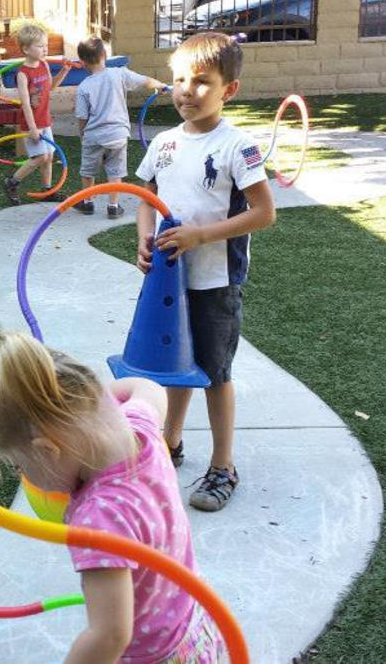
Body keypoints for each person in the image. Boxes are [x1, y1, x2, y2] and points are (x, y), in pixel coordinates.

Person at [0, 332, 227, 663]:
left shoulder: (99, 521)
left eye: (19, 465)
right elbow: (148, 389)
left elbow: (110, 635)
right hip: (193, 628)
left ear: (47, 450)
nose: (23, 475)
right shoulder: (140, 429)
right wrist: (94, 408)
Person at [134, 32, 275, 512]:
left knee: (215, 372)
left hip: (216, 281)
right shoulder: (165, 142)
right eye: (178, 80)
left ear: (227, 90)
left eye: (201, 82)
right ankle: (170, 444)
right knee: (173, 367)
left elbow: (263, 213)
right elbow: (147, 197)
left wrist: (200, 236)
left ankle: (222, 466)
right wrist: (144, 237)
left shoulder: (238, 145)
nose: (185, 91)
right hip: (168, 279)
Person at [74, 36, 168, 218]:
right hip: (117, 135)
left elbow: (82, 117)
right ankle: (113, 206)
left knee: (88, 170)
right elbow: (144, 80)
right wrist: (160, 85)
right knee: (115, 172)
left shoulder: (83, 87)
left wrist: (82, 135)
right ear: (105, 54)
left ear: (82, 62)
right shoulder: (119, 73)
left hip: (93, 136)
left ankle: (87, 202)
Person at [2, 24, 68, 205]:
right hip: (32, 123)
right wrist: (32, 127)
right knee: (40, 157)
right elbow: (25, 104)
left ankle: (47, 190)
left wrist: (63, 72)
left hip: (45, 120)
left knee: (49, 157)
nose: (45, 49)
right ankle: (11, 182)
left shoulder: (44, 65)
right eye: (40, 46)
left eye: (45, 45)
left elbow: (51, 87)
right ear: (26, 49)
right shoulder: (22, 74)